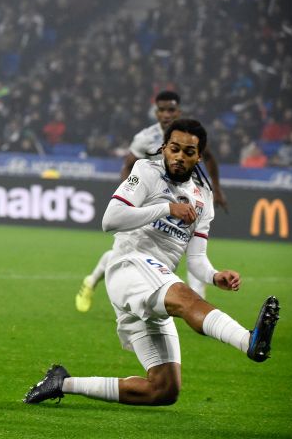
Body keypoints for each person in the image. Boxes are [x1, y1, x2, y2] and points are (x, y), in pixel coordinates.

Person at [25, 119, 279, 407]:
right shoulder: (146, 171)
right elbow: (110, 220)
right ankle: (249, 341)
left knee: (163, 389)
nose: (179, 157)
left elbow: (195, 259)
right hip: (129, 266)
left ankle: (62, 382)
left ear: (199, 156)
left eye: (188, 152)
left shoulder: (203, 198)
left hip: (155, 283)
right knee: (186, 299)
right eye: (174, 149)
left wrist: (214, 275)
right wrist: (166, 208)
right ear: (163, 148)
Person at [75, 91, 228, 312]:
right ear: (155, 112)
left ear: (179, 111)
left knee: (192, 249)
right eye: (162, 110)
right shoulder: (145, 138)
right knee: (128, 250)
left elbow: (210, 158)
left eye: (171, 109)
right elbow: (128, 164)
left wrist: (217, 189)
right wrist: (129, 193)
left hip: (184, 197)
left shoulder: (188, 134)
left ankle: (197, 302)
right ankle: (91, 281)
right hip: (151, 199)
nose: (166, 114)